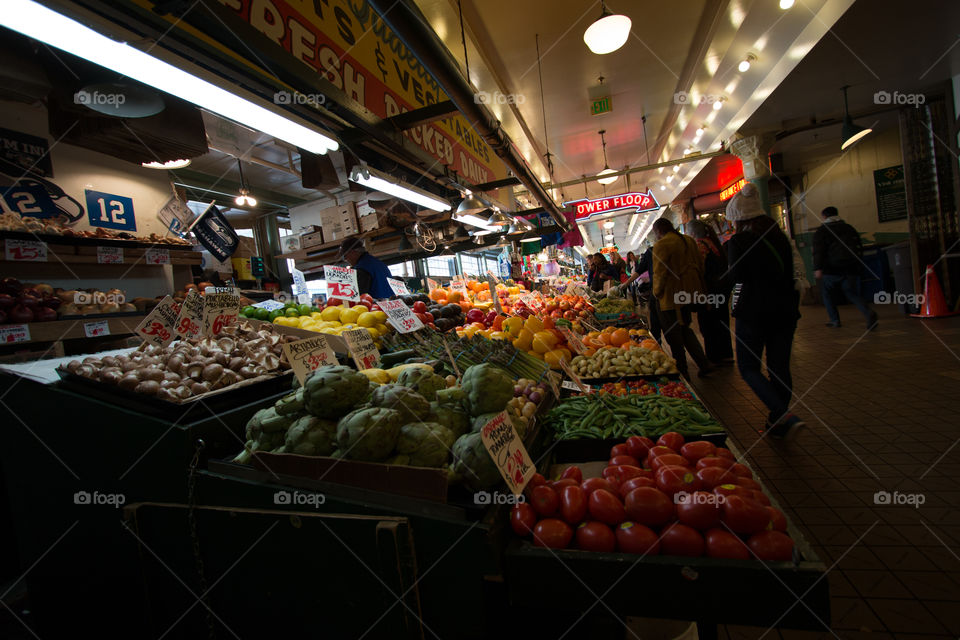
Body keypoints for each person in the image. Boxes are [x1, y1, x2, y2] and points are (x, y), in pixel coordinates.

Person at [725, 183, 805, 438]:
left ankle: (782, 413)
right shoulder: (779, 237)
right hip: (785, 311)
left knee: (749, 367)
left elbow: (737, 276)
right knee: (779, 367)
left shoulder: (739, 241)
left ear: (738, 220)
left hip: (754, 312)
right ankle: (778, 420)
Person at [650, 218, 713, 379]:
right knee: (685, 328)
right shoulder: (689, 240)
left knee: (672, 334)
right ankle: (703, 363)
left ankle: (682, 369)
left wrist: (656, 293)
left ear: (658, 231)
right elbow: (701, 265)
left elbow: (660, 273)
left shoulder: (662, 244)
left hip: (670, 296)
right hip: (689, 293)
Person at [813, 206, 878, 329]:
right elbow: (858, 246)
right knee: (852, 293)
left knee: (827, 294)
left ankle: (835, 320)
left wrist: (818, 268)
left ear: (824, 216)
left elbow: (818, 251)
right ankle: (868, 312)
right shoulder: (849, 228)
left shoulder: (822, 231)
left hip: (831, 269)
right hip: (851, 268)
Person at [687, 219, 733, 364]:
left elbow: (700, 269)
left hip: (709, 291)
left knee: (708, 324)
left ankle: (714, 357)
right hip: (722, 290)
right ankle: (726, 354)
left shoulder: (700, 245)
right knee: (722, 321)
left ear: (693, 233)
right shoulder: (714, 243)